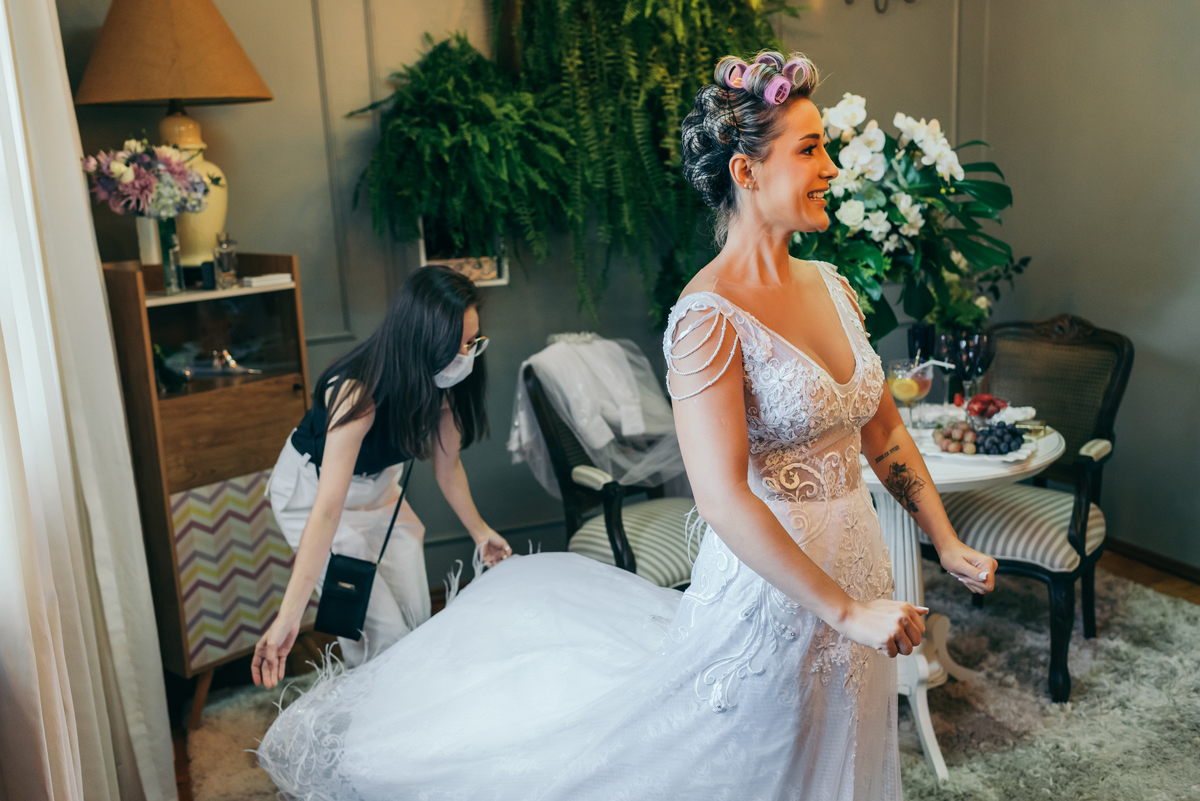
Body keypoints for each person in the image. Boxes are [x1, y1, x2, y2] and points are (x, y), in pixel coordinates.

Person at [256, 51, 998, 800]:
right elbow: (721, 498)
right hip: (773, 587)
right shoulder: (707, 318)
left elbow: (887, 437)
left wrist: (945, 537)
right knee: (757, 760)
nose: (832, 168)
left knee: (843, 747)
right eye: (810, 149)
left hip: (863, 562)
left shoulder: (835, 288)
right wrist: (844, 610)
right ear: (745, 173)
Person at [252, 265, 512, 685]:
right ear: (424, 340)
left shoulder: (445, 383)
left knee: (416, 618)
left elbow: (448, 468)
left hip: (378, 491)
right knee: (382, 636)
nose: (468, 355)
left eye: (473, 341)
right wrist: (288, 617)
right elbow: (327, 511)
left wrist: (482, 533)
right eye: (460, 344)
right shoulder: (355, 392)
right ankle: (377, 737)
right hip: (313, 494)